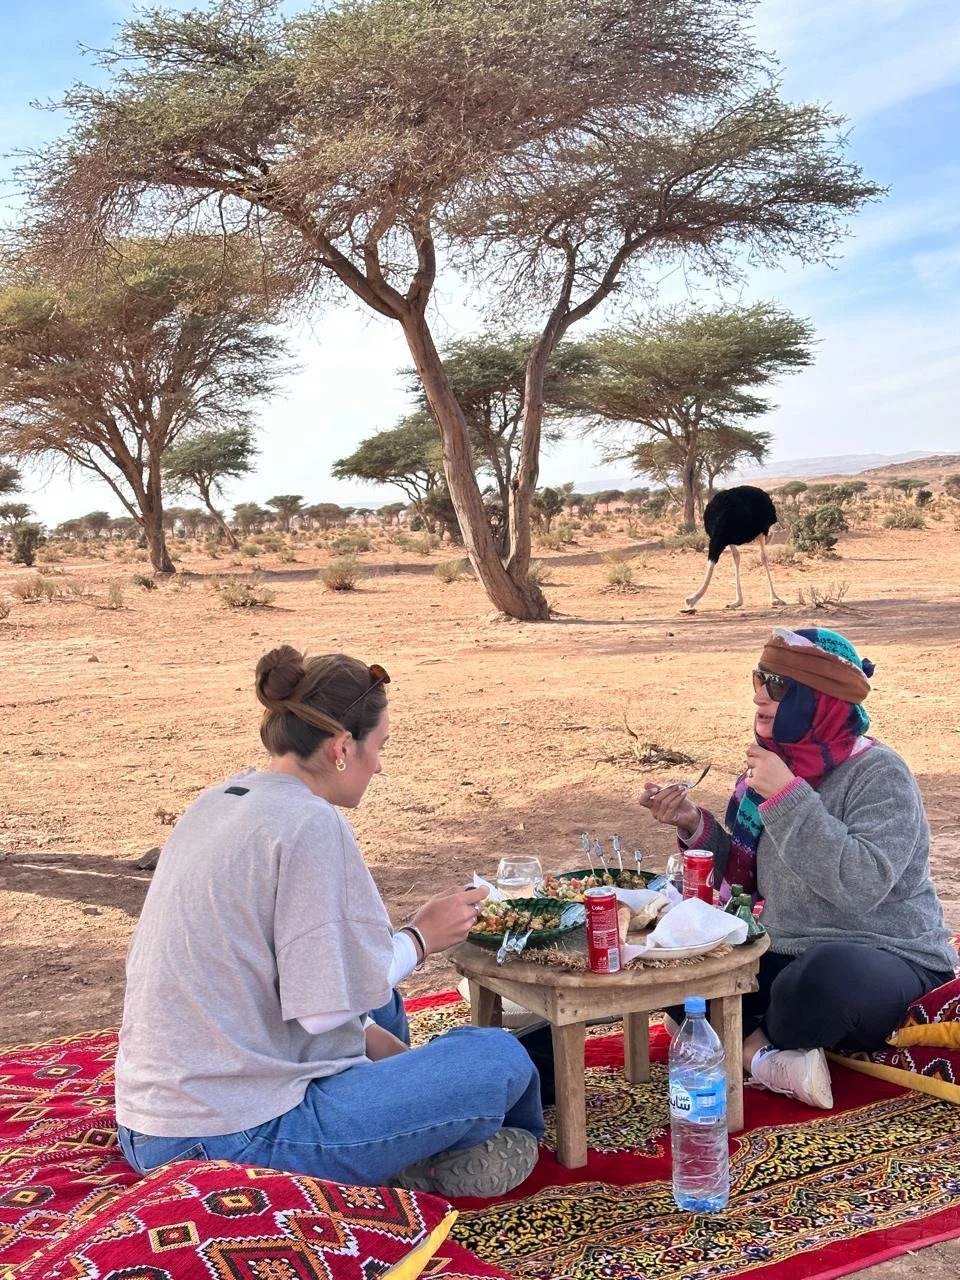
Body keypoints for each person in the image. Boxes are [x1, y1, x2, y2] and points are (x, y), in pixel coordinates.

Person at [115, 646, 543, 1196]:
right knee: (496, 1057)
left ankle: (400, 1136)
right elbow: (322, 1011)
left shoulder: (221, 799)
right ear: (343, 747)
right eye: (380, 746)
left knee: (376, 991)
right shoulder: (310, 824)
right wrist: (420, 938)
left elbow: (306, 984)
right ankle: (471, 1146)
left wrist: (392, 1053)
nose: (381, 764)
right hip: (229, 1139)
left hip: (151, 1123)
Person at [641, 626, 956, 1110]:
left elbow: (860, 885)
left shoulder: (879, 773)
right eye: (760, 676)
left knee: (820, 980)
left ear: (823, 698)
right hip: (784, 946)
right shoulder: (770, 767)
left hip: (884, 953)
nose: (761, 694)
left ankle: (741, 1040)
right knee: (681, 967)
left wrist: (788, 796)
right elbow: (744, 882)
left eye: (781, 684)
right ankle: (762, 1056)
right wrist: (691, 822)